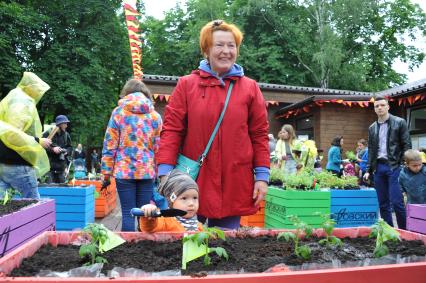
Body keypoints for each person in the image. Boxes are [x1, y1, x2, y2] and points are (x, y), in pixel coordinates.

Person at [156, 20, 270, 230]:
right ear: (206, 49)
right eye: (219, 45)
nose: (226, 51)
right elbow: (172, 130)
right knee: (186, 241)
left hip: (234, 179)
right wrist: (165, 172)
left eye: (231, 45)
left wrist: (262, 176)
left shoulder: (250, 88)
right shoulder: (187, 85)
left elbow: (259, 135)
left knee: (225, 244)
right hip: (192, 181)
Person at [101, 79, 162, 231]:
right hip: (146, 171)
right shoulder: (155, 116)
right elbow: (159, 148)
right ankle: (143, 248)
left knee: (128, 213)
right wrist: (159, 172)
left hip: (124, 171)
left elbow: (110, 145)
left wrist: (106, 174)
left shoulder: (118, 113)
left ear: (126, 93)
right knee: (144, 213)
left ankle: (126, 249)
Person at [0, 72, 52, 198]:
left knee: (3, 206)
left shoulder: (12, 97)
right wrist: (38, 141)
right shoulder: (22, 101)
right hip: (18, 163)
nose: (38, 93)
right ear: (30, 87)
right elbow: (13, 135)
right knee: (33, 205)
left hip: (3, 162)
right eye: (37, 89)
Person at [363, 96, 411, 229]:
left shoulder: (399, 122)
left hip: (394, 166)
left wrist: (404, 163)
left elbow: (406, 144)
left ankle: (404, 232)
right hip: (378, 167)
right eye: (377, 106)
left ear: (388, 107)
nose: (379, 107)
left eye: (382, 105)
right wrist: (368, 169)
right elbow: (371, 149)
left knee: (397, 202)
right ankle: (389, 231)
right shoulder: (372, 127)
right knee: (383, 203)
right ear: (374, 109)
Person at [43, 115, 72, 183]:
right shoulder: (48, 134)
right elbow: (42, 147)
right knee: (49, 190)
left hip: (61, 168)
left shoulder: (66, 135)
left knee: (62, 190)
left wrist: (66, 151)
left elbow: (70, 148)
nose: (66, 126)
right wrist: (53, 149)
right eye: (65, 123)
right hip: (48, 168)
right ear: (60, 124)